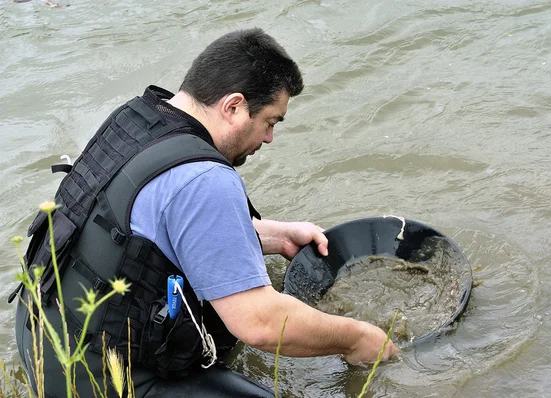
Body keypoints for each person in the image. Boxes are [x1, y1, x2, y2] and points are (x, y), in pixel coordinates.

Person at [13, 28, 398, 397]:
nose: (269, 138)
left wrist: (274, 237)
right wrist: (359, 338)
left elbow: (145, 228)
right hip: (98, 381)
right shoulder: (204, 178)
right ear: (233, 106)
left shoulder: (137, 120)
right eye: (269, 122)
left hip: (41, 339)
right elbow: (260, 323)